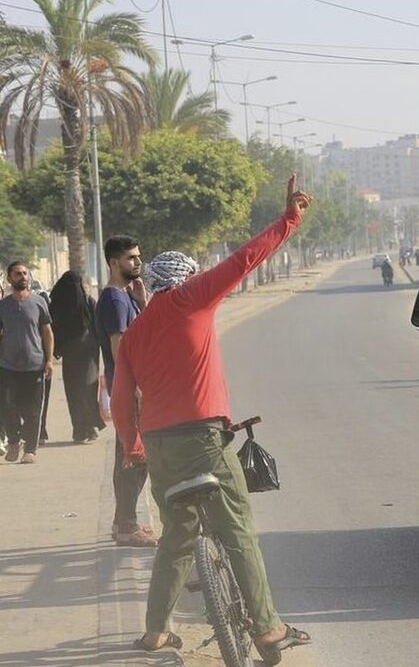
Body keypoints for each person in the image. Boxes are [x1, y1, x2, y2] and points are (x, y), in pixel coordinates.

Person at [112, 175, 313, 659]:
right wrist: (290, 219)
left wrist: (131, 447)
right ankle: (267, 629)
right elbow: (245, 259)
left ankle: (155, 632)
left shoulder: (136, 332)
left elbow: (120, 397)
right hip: (205, 437)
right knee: (236, 527)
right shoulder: (193, 298)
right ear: (186, 278)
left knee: (176, 539)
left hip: (159, 446)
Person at [96, 235, 158, 547]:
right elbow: (121, 349)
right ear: (113, 263)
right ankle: (126, 525)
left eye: (138, 256)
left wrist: (143, 302)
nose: (137, 262)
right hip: (129, 389)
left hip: (132, 388)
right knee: (133, 458)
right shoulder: (114, 300)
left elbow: (144, 334)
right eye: (131, 258)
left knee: (133, 456)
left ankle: (123, 522)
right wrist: (134, 393)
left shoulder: (125, 296)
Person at [0, 261, 54, 464]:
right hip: (7, 366)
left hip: (34, 365)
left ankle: (30, 449)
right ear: (9, 278)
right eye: (17, 274)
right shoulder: (3, 306)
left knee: (32, 410)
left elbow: (47, 332)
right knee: (6, 405)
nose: (22, 276)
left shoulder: (39, 302)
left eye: (25, 273)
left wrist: (49, 360)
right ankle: (13, 441)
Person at [48, 271, 104, 444]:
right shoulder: (60, 306)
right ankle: (82, 429)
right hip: (78, 355)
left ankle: (87, 427)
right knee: (79, 392)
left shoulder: (86, 302)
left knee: (83, 391)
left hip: (86, 355)